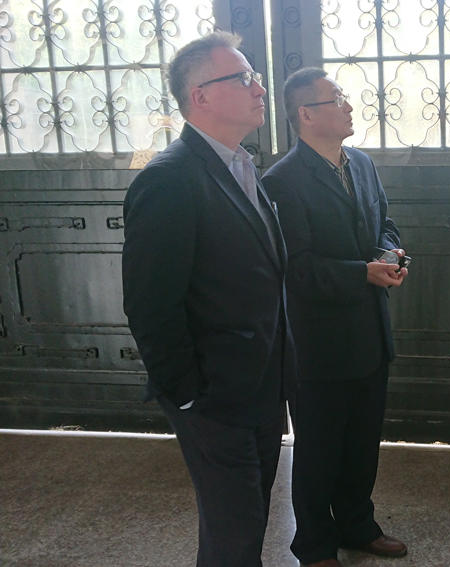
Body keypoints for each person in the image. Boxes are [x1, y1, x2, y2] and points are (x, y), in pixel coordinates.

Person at [122, 31, 295, 567]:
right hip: (214, 395)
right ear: (200, 96)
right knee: (235, 530)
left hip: (261, 383)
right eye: (244, 78)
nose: (259, 88)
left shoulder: (241, 165)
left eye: (255, 77)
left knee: (245, 523)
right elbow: (151, 305)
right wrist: (189, 395)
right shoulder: (169, 180)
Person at [262, 68, 408, 567]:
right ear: (306, 114)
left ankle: (358, 526)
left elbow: (385, 222)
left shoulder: (361, 163)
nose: (348, 106)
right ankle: (314, 545)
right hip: (319, 346)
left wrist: (389, 253)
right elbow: (295, 269)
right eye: (337, 99)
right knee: (319, 453)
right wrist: (361, 273)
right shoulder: (282, 181)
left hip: (370, 334)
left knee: (363, 447)